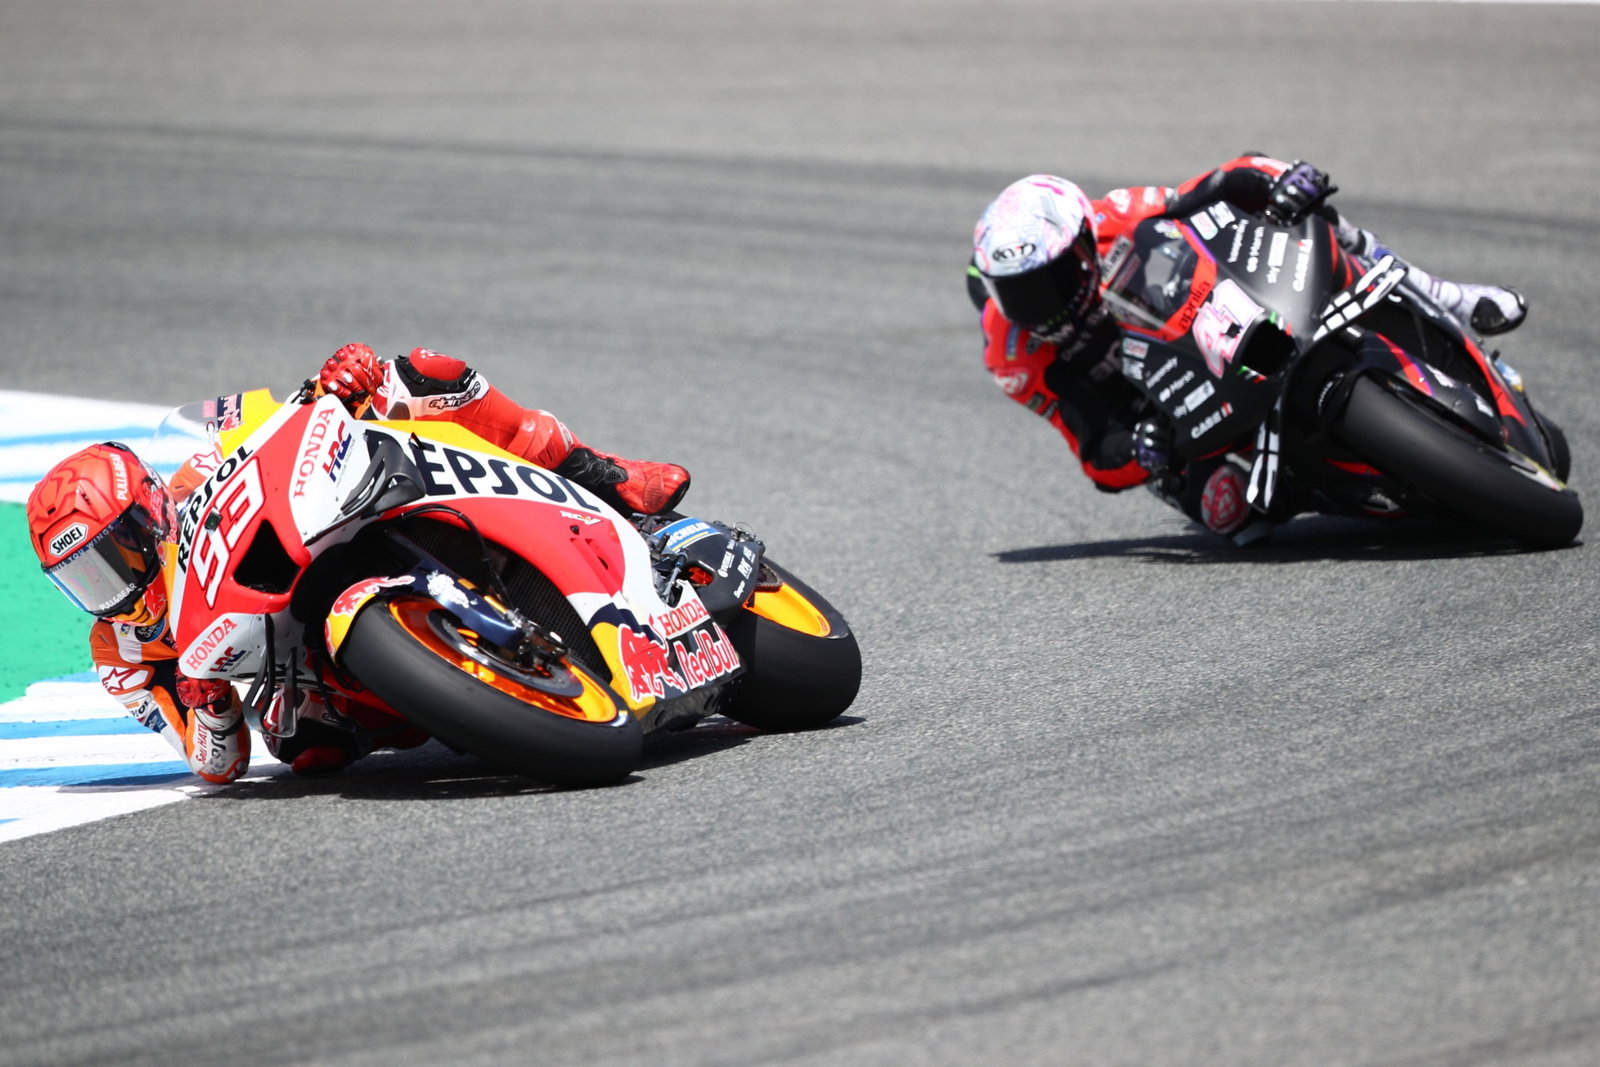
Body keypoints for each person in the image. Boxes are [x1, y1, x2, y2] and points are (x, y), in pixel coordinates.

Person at [24, 345, 692, 782]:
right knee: (303, 744)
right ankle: (469, 696)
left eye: (111, 559)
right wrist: (211, 707)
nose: (111, 589)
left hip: (334, 527)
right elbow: (216, 766)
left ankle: (606, 475)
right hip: (303, 668)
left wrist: (331, 383)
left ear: (147, 517)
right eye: (83, 577)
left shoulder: (196, 474)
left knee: (426, 374)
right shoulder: (122, 652)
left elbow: (274, 424)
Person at [967, 155, 1528, 540]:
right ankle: (1337, 489)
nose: (1039, 304)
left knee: (1316, 216)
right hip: (1166, 413)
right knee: (1228, 511)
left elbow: (1218, 184)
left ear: (1084, 244)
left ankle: (1443, 295)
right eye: (1016, 292)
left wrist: (1284, 180)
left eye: (1051, 279)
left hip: (1219, 317)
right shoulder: (1013, 355)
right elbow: (1093, 449)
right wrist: (1140, 450)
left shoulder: (1113, 214)